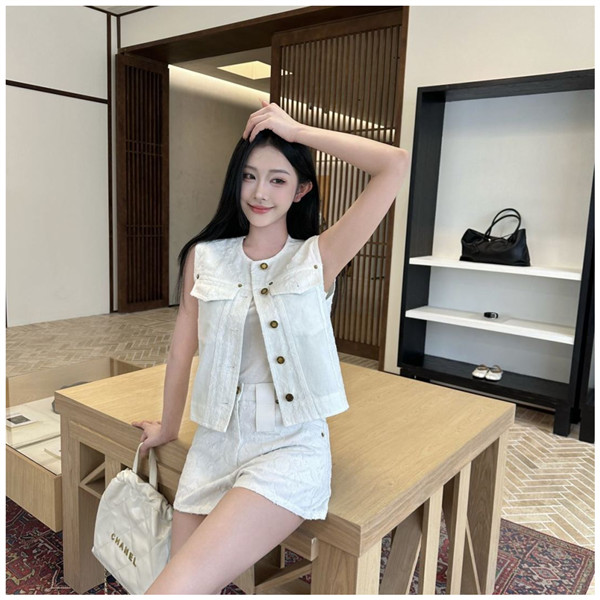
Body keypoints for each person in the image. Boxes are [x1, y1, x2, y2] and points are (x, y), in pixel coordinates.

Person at [132, 101, 409, 594]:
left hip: (288, 445)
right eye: (250, 176)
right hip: (215, 442)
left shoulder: (318, 256)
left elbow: (395, 163)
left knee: (175, 587)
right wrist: (169, 428)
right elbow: (180, 351)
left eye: (278, 180)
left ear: (301, 189)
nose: (260, 192)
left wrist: (298, 131)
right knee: (179, 582)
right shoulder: (204, 256)